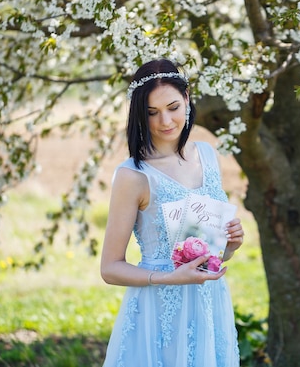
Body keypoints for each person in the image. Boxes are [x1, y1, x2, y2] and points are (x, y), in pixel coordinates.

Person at [100, 58, 245, 367]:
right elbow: (110, 268)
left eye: (173, 107)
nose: (165, 121)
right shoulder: (133, 175)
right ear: (139, 114)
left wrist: (229, 246)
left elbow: (209, 255)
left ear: (187, 100)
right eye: (152, 112)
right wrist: (169, 277)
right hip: (160, 313)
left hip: (209, 307)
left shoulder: (206, 154)